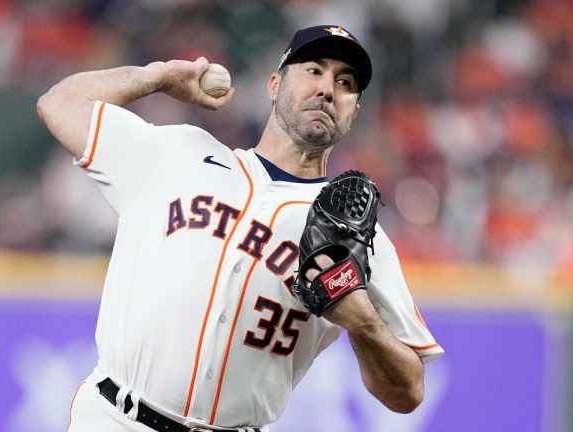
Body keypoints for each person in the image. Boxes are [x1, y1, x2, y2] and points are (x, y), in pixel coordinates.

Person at [37, 24, 443, 432]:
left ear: (352, 111)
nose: (327, 89)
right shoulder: (177, 153)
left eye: (345, 82)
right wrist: (156, 77)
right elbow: (60, 103)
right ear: (273, 84)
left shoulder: (358, 236)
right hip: (114, 419)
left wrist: (363, 323)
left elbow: (407, 393)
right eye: (314, 70)